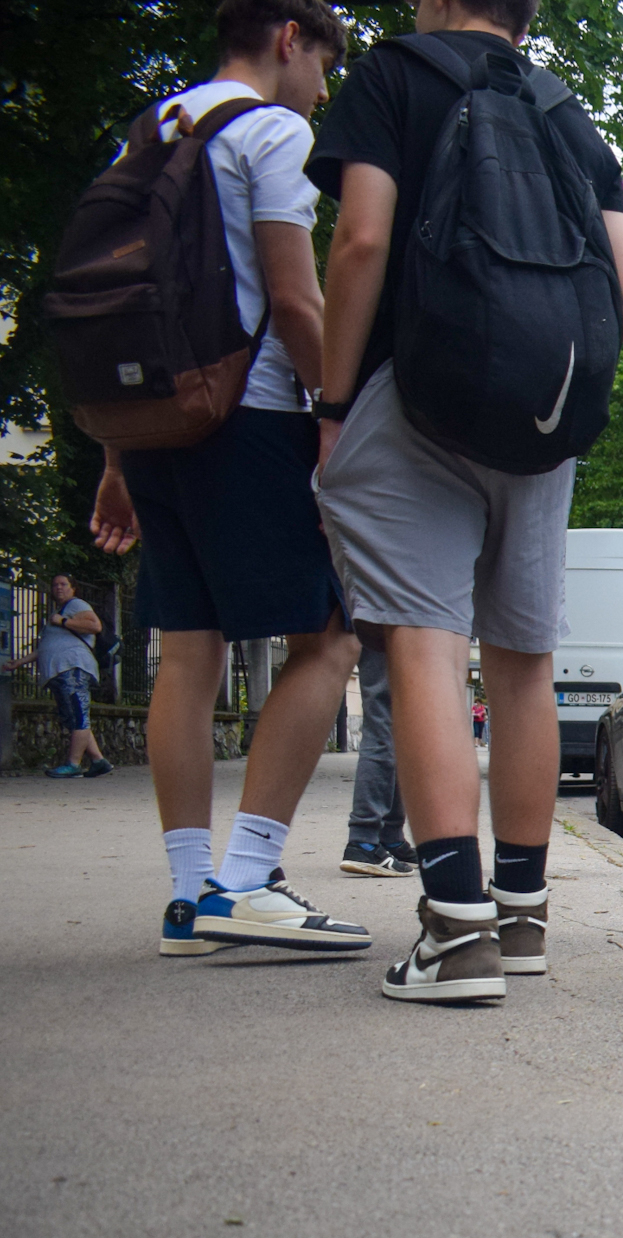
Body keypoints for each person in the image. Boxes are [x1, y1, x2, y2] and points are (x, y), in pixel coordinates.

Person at [307, 0, 623, 1003]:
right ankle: (523, 922)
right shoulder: (566, 115)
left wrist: (331, 408)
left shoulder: (392, 75)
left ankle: (454, 935)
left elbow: (361, 241)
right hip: (543, 418)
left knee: (423, 642)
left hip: (412, 397)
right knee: (523, 662)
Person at [88, 0, 372, 960]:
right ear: (289, 38)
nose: (325, 89)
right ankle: (246, 880)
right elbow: (294, 296)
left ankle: (186, 900)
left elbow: (128, 305)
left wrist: (118, 455)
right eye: (324, 64)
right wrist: (338, 409)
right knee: (329, 640)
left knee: (186, 650)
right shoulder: (270, 129)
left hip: (154, 421)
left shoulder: (148, 127)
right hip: (244, 414)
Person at [340, 645, 415, 874]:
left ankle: (389, 838)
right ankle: (364, 840)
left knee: (396, 723)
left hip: (373, 616)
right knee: (385, 715)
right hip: (401, 616)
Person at [33, 575, 112, 779]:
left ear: (73, 588)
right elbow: (46, 646)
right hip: (60, 671)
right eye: (55, 584)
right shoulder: (59, 611)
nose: (58, 587)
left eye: (63, 584)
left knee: (78, 715)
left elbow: (95, 626)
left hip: (74, 667)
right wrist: (19, 662)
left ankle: (73, 764)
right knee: (73, 717)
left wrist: (64, 621)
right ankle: (98, 761)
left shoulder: (76, 605)